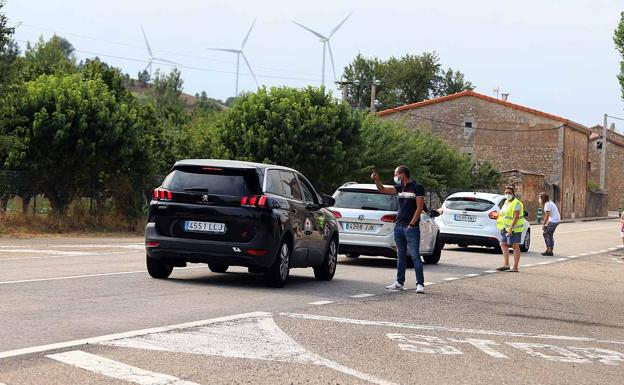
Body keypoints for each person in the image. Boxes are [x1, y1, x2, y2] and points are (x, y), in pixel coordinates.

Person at [371, 165, 426, 293]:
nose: (395, 177)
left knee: (415, 256)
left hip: (411, 227)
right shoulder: (400, 188)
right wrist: (376, 180)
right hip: (399, 226)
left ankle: (420, 284)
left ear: (402, 174)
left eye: (396, 174)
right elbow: (382, 189)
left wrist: (412, 224)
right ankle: (399, 282)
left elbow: (419, 208)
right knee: (400, 255)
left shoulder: (417, 188)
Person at [496, 186, 525, 272]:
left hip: (514, 229)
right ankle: (506, 264)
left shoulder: (516, 203)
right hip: (505, 228)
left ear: (513, 194)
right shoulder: (506, 202)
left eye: (509, 193)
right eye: (506, 193)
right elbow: (503, 215)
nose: (507, 194)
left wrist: (511, 228)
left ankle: (515, 267)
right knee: (503, 244)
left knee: (515, 246)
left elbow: (516, 217)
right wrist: (502, 227)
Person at [539, 192, 560, 256]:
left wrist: (543, 224)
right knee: (550, 235)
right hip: (555, 220)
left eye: (540, 198)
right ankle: (550, 250)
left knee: (546, 233)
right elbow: (549, 215)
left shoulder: (547, 204)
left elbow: (547, 215)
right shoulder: (549, 202)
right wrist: (547, 224)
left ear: (543, 198)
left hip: (554, 220)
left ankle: (549, 250)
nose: (539, 199)